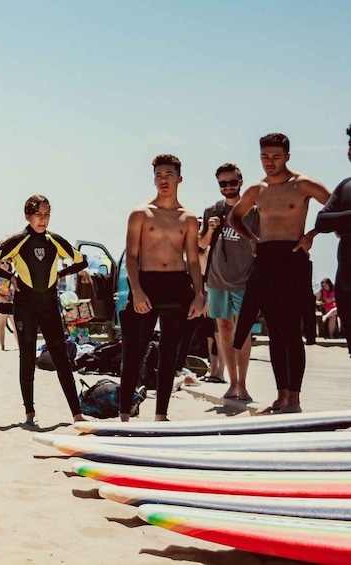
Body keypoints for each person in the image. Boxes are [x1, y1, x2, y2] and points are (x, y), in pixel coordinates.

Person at [230, 133, 331, 414]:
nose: (269, 162)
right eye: (264, 156)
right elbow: (234, 217)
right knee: (275, 332)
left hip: (293, 258)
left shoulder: (303, 184)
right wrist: (251, 238)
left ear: (287, 156)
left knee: (291, 332)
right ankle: (281, 396)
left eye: (275, 156)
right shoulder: (257, 189)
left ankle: (295, 400)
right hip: (266, 258)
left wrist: (311, 234)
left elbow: (337, 207)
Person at [0, 195, 89, 424]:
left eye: (47, 214)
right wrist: (10, 276)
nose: (43, 219)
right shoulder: (18, 240)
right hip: (25, 305)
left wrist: (61, 273)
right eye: (38, 214)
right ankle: (29, 413)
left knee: (61, 358)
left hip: (49, 305)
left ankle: (77, 414)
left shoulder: (55, 240)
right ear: (28, 216)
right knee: (27, 357)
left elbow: (81, 261)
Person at [120, 154, 204, 422]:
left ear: (179, 178)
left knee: (169, 354)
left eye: (168, 175)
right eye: (158, 175)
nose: (163, 180)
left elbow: (192, 259)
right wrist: (136, 290)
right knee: (134, 350)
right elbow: (131, 256)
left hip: (178, 285)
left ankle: (161, 415)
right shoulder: (140, 213)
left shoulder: (189, 218)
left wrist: (199, 294)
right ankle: (123, 414)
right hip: (147, 283)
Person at [198, 163, 259, 402]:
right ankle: (231, 382)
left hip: (245, 279)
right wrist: (210, 230)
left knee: (242, 332)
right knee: (224, 330)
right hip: (217, 279)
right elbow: (202, 244)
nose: (228, 187)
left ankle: (242, 384)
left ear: (241, 182)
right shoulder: (212, 210)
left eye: (232, 182)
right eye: (223, 183)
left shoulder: (254, 211)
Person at [315, 123, 351, 357]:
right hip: (346, 280)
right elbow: (322, 221)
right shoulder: (346, 185)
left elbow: (331, 220)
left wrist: (341, 223)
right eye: (350, 145)